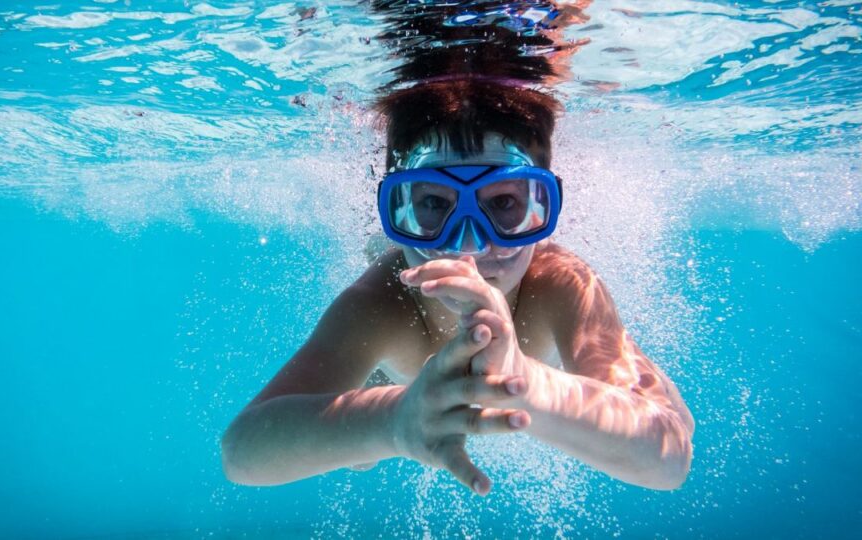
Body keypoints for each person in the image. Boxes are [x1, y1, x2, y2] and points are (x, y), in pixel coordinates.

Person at [220, 74, 694, 495]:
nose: (468, 246)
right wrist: (389, 420)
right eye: (432, 204)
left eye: (504, 204)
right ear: (395, 209)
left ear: (542, 211)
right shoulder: (382, 301)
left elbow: (669, 459)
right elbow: (240, 453)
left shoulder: (560, 284)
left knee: (673, 415)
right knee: (359, 454)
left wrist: (525, 382)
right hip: (399, 370)